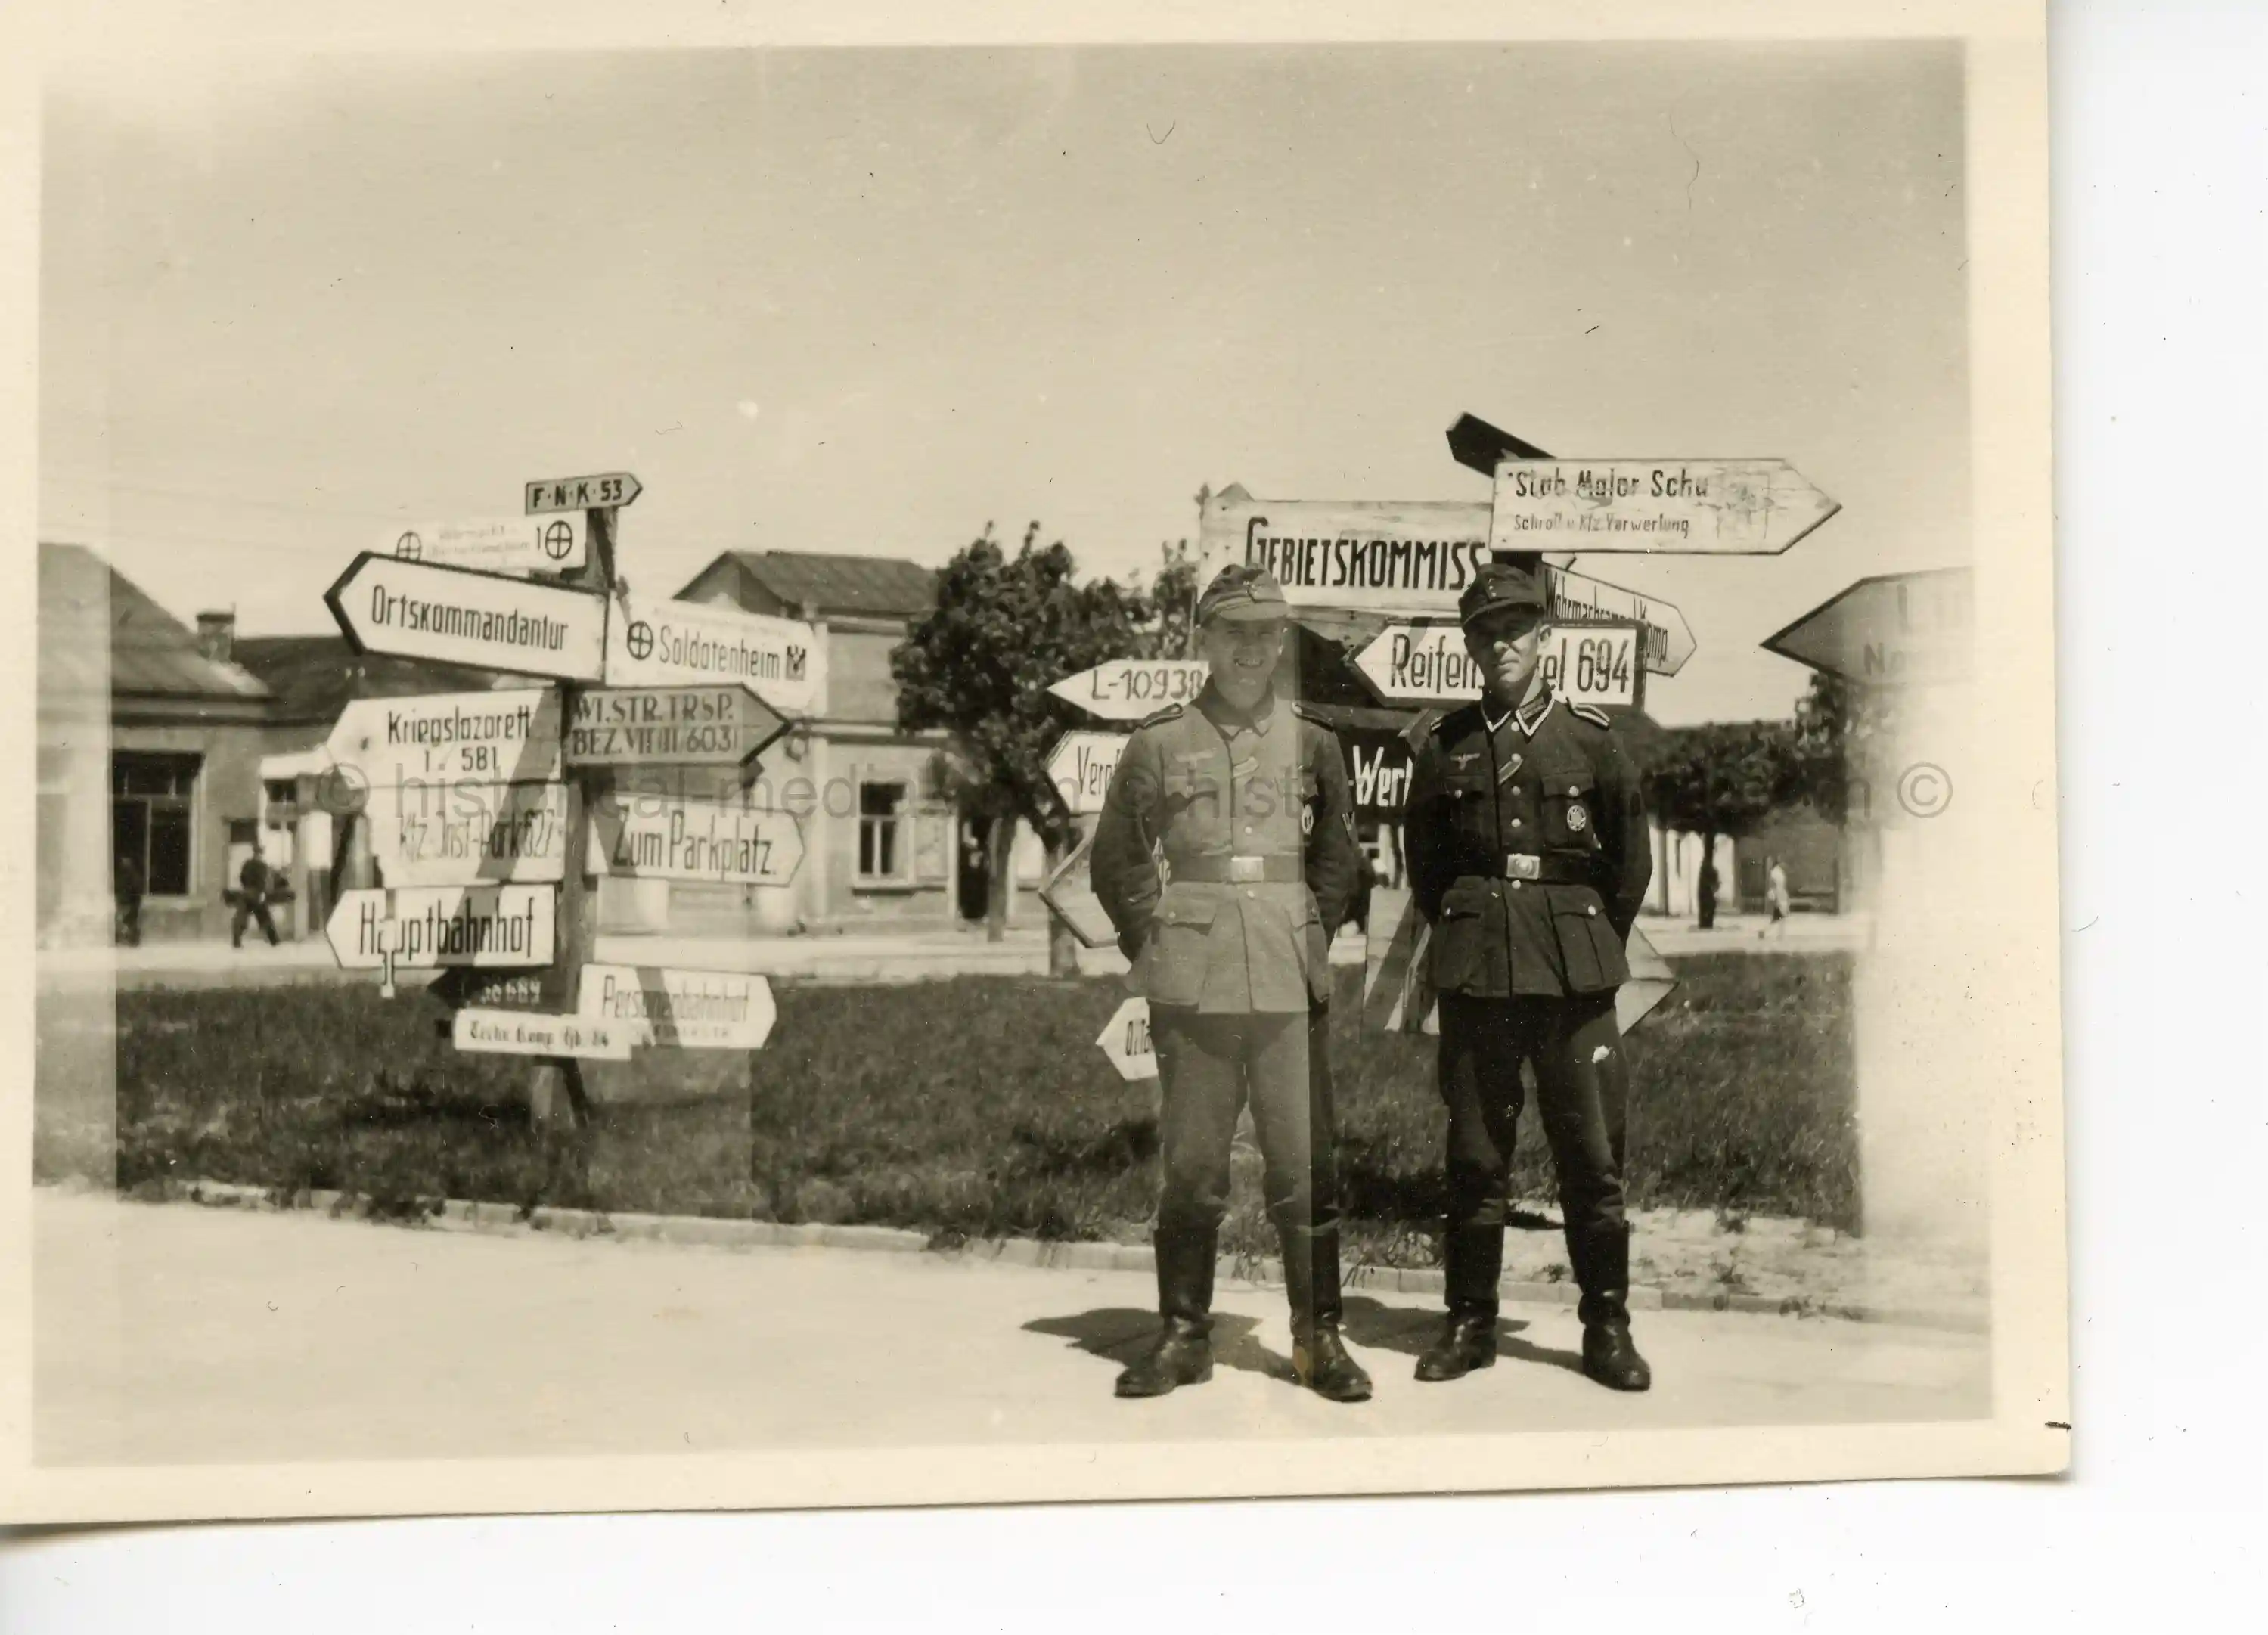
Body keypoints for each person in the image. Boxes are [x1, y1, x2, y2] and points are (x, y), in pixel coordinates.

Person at [1091, 563, 1373, 1404]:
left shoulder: (1315, 740)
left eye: (1265, 634)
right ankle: (1183, 1335)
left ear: (1282, 642)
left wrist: (1306, 929)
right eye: (1233, 633)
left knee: (1303, 1161)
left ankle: (1317, 1337)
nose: (1250, 650)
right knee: (1194, 1166)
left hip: (1287, 974)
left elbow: (1337, 860)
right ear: (1202, 640)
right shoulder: (1158, 741)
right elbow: (1116, 860)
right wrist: (1162, 936)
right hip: (1194, 979)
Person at [1402, 560, 1656, 1392]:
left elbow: (1627, 867)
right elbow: (1428, 870)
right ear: (1469, 646)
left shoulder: (1592, 738)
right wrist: (1476, 935)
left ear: (1544, 638)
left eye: (1514, 627)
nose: (1499, 642)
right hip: (1478, 979)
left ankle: (1605, 1323)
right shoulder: (1444, 747)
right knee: (1475, 1157)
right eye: (1483, 632)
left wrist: (1583, 943)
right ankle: (1470, 1321)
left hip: (1573, 981)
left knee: (1590, 1159)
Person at [231, 852, 281, 948]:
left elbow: (242, 877)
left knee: (241, 918)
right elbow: (264, 881)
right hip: (257, 894)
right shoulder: (262, 866)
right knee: (265, 918)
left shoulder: (247, 864)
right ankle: (274, 940)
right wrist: (262, 892)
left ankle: (236, 941)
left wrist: (246, 887)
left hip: (246, 893)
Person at [113, 851, 144, 948]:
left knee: (127, 921)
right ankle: (129, 939)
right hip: (127, 902)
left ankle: (131, 940)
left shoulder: (130, 877)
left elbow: (136, 890)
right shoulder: (125, 877)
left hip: (129, 902)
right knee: (127, 921)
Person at [1760, 855, 1791, 939]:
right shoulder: (1777, 873)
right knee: (1782, 917)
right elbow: (1777, 886)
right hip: (1779, 897)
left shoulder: (1777, 872)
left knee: (1778, 918)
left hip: (1779, 896)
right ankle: (1780, 935)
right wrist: (1780, 898)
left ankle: (1765, 931)